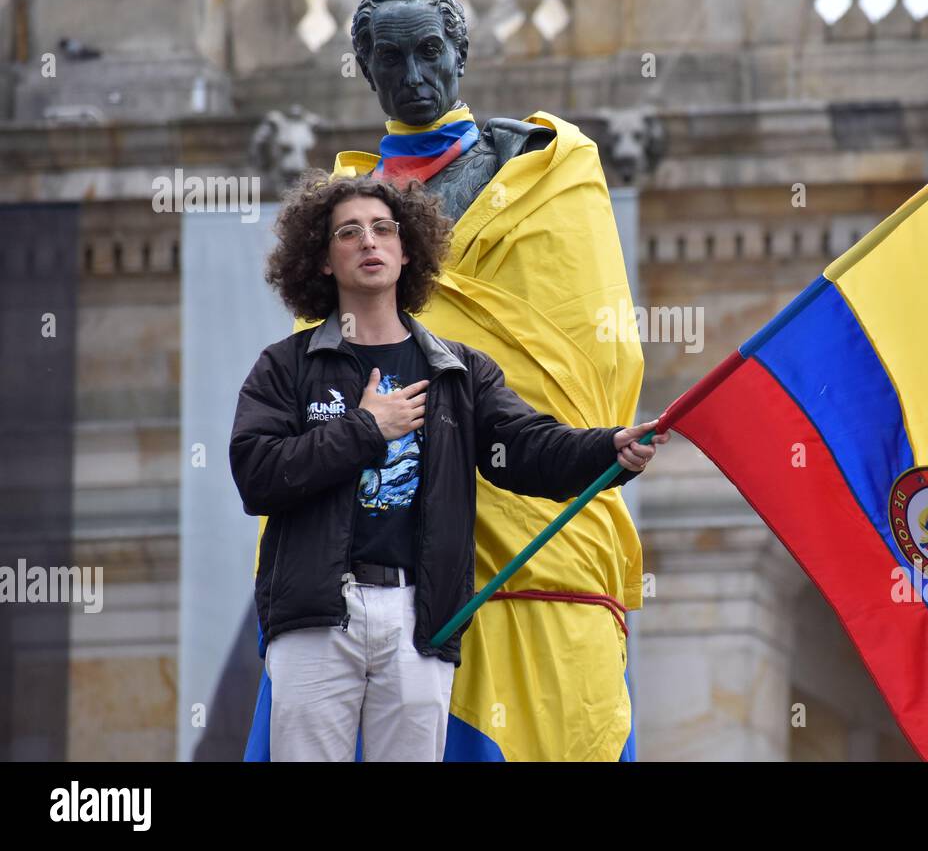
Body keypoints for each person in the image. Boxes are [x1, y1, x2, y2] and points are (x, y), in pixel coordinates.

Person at [228, 172, 667, 761]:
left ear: (408, 250)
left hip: (418, 618)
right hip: (314, 617)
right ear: (323, 260)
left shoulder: (458, 371)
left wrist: (607, 449)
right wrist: (366, 429)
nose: (369, 242)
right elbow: (256, 473)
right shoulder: (286, 367)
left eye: (383, 229)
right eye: (349, 232)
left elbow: (527, 449)